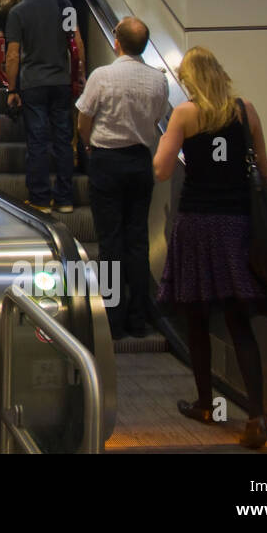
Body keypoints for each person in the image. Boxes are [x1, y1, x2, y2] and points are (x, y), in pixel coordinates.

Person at [153, 47, 267, 449]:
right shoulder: (246, 110)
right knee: (239, 322)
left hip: (198, 225)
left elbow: (162, 169)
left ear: (190, 80)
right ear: (221, 74)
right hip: (238, 224)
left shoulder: (186, 114)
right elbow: (264, 170)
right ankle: (257, 418)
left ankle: (206, 404)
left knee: (196, 317)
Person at [75, 17, 169, 341]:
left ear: (117, 42)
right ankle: (138, 319)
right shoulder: (159, 81)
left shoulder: (103, 76)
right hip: (140, 163)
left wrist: (88, 145)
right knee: (138, 241)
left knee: (110, 242)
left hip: (107, 161)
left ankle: (113, 321)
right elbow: (156, 118)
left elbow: (83, 119)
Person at [5, 0, 85, 213]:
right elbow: (77, 41)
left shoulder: (16, 12)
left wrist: (12, 88)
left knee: (37, 141)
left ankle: (40, 199)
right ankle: (65, 199)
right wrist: (80, 73)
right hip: (62, 82)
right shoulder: (64, 3)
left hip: (33, 84)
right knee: (63, 139)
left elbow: (13, 54)